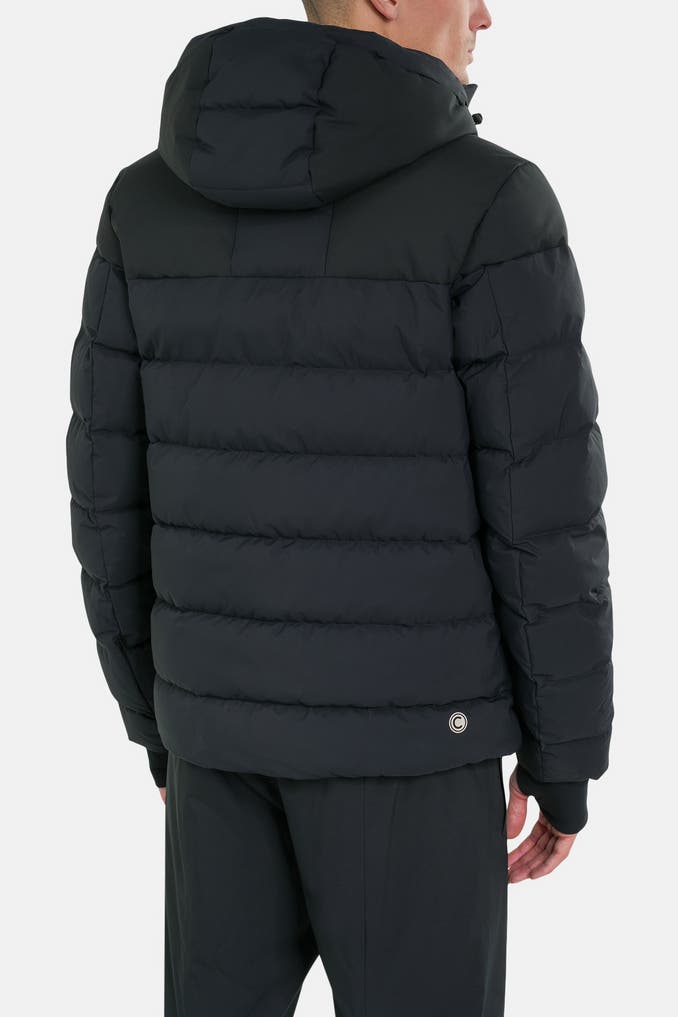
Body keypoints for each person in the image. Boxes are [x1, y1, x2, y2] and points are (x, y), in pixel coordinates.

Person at [66, 2, 614, 1014]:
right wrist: (566, 757)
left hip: (216, 743)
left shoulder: (144, 202)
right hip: (414, 753)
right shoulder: (491, 204)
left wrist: (160, 720)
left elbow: (105, 498)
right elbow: (545, 516)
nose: (487, 14)